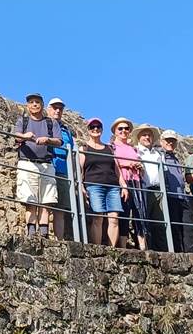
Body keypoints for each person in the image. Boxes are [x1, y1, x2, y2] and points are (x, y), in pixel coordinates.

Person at [13, 93, 62, 237]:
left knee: (47, 201)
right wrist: (25, 136)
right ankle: (31, 233)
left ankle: (44, 232)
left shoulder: (50, 123)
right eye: (32, 102)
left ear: (42, 105)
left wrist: (48, 140)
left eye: (37, 102)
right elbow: (16, 136)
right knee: (30, 200)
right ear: (28, 106)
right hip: (27, 163)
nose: (34, 104)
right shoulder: (23, 120)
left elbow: (59, 141)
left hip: (46, 164)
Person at [79, 118, 126, 246]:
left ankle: (112, 249)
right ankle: (98, 248)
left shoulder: (109, 149)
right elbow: (80, 170)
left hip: (112, 186)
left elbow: (117, 170)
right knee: (98, 217)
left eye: (98, 127)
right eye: (92, 127)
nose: (95, 129)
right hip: (94, 185)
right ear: (88, 130)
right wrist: (81, 186)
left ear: (102, 129)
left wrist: (124, 186)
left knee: (114, 218)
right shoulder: (84, 148)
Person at [112, 117, 147, 250]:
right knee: (124, 214)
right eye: (120, 128)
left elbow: (141, 169)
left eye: (126, 128)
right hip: (123, 181)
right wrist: (129, 164)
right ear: (115, 131)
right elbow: (114, 164)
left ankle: (143, 246)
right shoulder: (113, 147)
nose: (124, 131)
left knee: (140, 214)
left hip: (137, 182)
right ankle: (122, 246)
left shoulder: (133, 149)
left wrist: (140, 167)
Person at [132, 123, 167, 250]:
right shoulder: (135, 151)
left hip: (158, 189)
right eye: (144, 135)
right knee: (144, 219)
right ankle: (146, 248)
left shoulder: (158, 154)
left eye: (149, 135)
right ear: (139, 137)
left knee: (160, 221)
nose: (147, 137)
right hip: (143, 188)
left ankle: (162, 249)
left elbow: (164, 171)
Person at [47, 97, 76, 241]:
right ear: (48, 109)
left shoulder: (66, 130)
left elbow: (72, 152)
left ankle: (59, 239)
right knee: (45, 203)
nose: (57, 110)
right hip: (48, 166)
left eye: (60, 108)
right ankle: (42, 236)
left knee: (61, 208)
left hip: (64, 170)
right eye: (54, 107)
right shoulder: (43, 124)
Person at [160, 130, 188, 252]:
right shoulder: (160, 155)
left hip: (179, 196)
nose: (170, 143)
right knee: (172, 225)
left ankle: (179, 250)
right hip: (169, 195)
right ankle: (174, 250)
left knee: (180, 227)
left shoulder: (175, 158)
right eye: (167, 140)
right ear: (161, 141)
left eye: (172, 140)